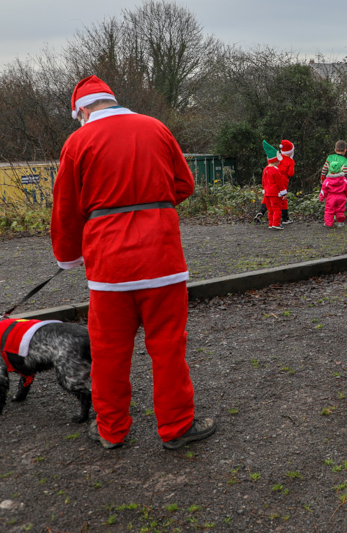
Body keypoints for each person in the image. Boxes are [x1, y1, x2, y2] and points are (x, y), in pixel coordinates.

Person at [51, 75, 215, 450]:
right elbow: (184, 184)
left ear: (81, 110)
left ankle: (110, 430)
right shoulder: (155, 128)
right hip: (163, 261)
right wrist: (151, 205)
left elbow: (66, 209)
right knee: (168, 348)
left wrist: (69, 257)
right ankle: (176, 427)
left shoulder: (78, 142)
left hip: (109, 269)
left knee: (108, 352)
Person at [261, 140, 289, 230]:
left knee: (270, 209)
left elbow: (263, 181)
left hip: (267, 193)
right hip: (275, 193)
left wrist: (264, 190)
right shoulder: (276, 170)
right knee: (277, 208)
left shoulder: (265, 169)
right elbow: (280, 183)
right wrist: (284, 193)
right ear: (275, 160)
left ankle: (271, 223)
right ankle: (276, 223)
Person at [319, 158, 347, 228]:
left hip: (331, 197)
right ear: (340, 169)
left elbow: (323, 190)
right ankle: (340, 223)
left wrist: (321, 197)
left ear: (329, 169)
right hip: (341, 196)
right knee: (340, 210)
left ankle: (328, 223)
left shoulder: (327, 181)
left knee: (329, 210)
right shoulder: (344, 180)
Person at [277, 140, 295, 224]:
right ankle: (285, 218)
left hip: (273, 178)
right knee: (283, 198)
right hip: (283, 180)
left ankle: (261, 212)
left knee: (270, 196)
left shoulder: (277, 157)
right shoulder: (290, 161)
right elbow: (290, 173)